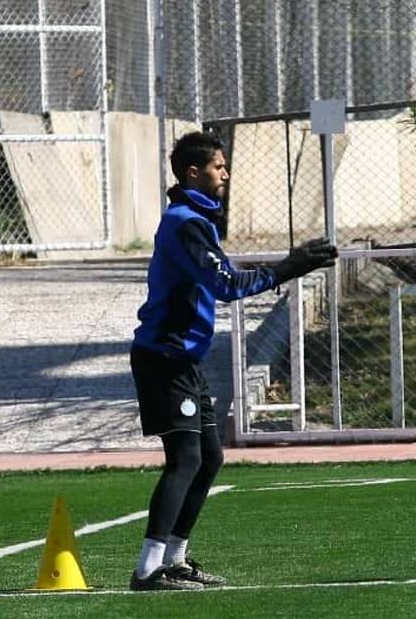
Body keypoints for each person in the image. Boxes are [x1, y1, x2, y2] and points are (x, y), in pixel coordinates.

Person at [129, 130, 337, 591]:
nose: (225, 173)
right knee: (184, 458)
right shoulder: (185, 223)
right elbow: (227, 285)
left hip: (185, 360)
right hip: (163, 359)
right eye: (218, 167)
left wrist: (290, 266)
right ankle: (147, 569)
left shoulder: (197, 221)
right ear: (193, 172)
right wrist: (289, 267)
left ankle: (176, 559)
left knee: (210, 457)